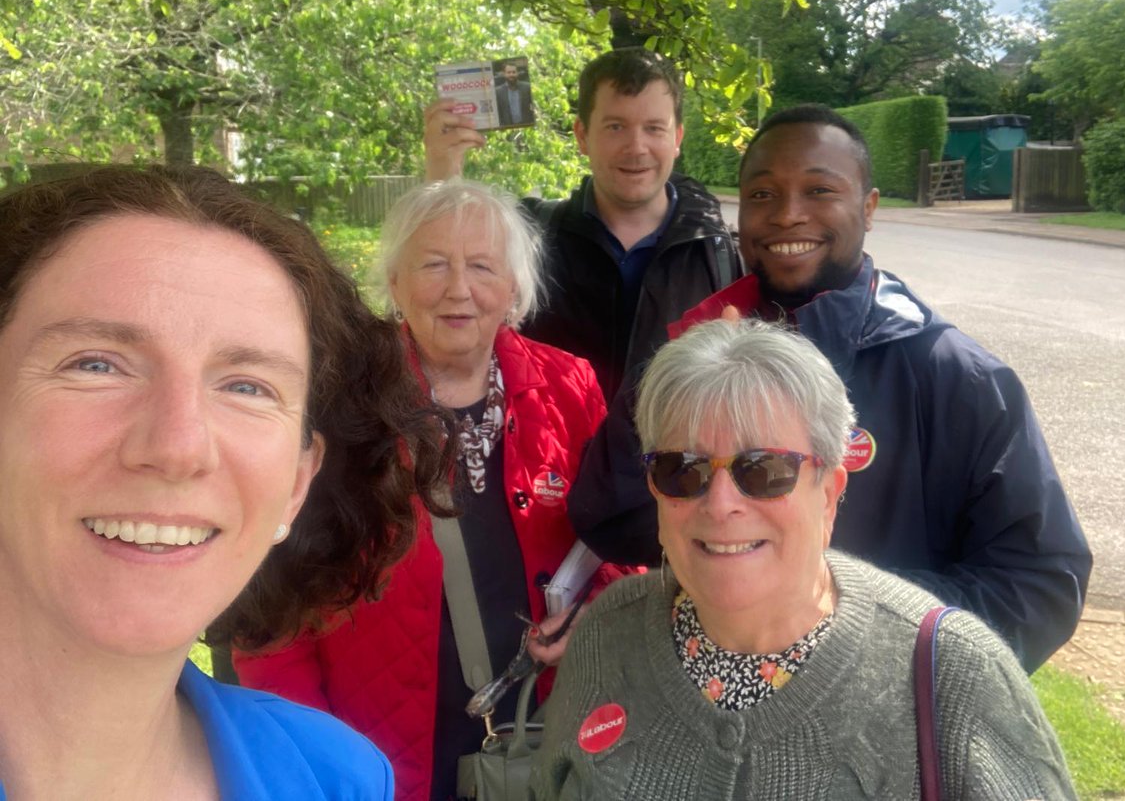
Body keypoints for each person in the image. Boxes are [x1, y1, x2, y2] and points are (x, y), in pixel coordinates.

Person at [567, 104, 1092, 672]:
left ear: (868, 207)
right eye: (763, 195)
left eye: (819, 190)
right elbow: (610, 515)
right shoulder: (698, 346)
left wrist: (833, 630)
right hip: (713, 702)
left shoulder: (955, 376)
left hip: (887, 720)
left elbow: (1038, 585)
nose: (789, 215)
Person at [0, 166, 451, 799]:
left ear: (297, 484)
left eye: (247, 386)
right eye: (96, 364)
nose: (178, 447)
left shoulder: (338, 779)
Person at [532, 318, 1077, 800]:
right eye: (684, 469)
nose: (720, 504)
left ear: (829, 493)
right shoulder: (606, 636)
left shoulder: (956, 676)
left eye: (764, 470)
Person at [235, 181, 619, 801]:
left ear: (515, 289)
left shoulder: (569, 387)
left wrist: (595, 616)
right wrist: (303, 745)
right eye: (434, 264)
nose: (458, 289)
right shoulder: (341, 398)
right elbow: (275, 592)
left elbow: (615, 541)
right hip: (370, 744)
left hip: (535, 727)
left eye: (482, 266)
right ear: (394, 283)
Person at [424, 46, 741, 400]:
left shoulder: (716, 250)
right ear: (581, 136)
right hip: (551, 453)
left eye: (654, 128)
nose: (636, 147)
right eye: (615, 126)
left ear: (677, 138)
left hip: (665, 455)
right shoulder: (529, 235)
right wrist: (443, 169)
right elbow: (441, 279)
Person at [494, 60, 534, 126]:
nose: (511, 74)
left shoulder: (527, 87)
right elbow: (498, 112)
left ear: (517, 73)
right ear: (504, 74)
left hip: (526, 125)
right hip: (508, 127)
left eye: (513, 72)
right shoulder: (498, 92)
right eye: (509, 72)